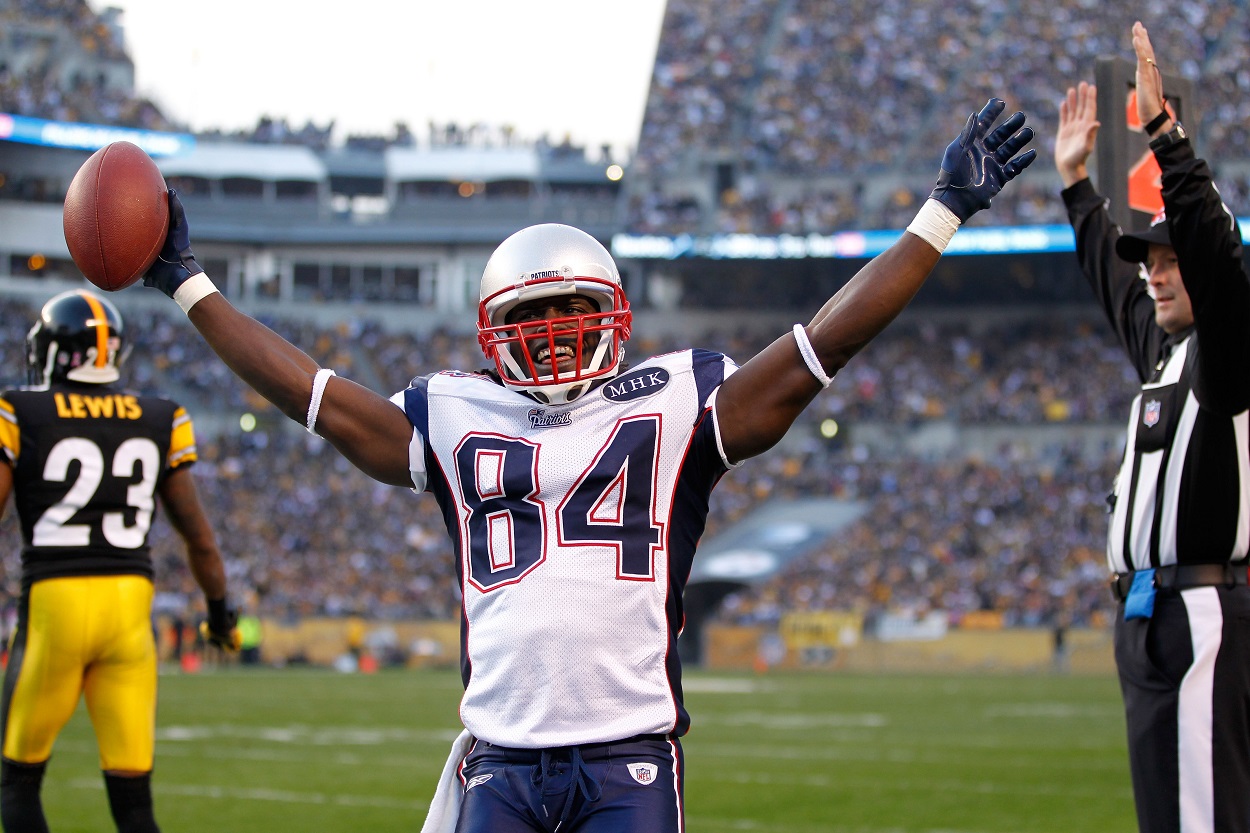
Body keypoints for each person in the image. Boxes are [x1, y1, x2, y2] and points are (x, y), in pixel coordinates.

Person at [137, 97, 1034, 832]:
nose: (561, 329)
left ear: (613, 311)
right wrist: (191, 285)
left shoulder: (673, 401)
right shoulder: (453, 413)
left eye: (576, 306)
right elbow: (318, 397)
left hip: (628, 758)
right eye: (538, 314)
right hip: (497, 760)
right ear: (494, 331)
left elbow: (816, 348)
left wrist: (940, 212)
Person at [1054, 22, 1250, 833]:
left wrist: (1165, 136)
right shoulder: (1170, 354)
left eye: (1169, 260)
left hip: (1201, 607)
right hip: (1151, 617)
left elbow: (1210, 249)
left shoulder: (1230, 352)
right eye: (1151, 260)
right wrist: (1076, 185)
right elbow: (1115, 276)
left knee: (1203, 818)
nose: (1153, 272)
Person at [0, 289, 242, 833]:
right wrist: (221, 616)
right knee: (134, 803)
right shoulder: (160, 416)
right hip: (130, 612)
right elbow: (199, 539)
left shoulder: (19, 410)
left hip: (55, 605)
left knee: (18, 782)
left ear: (54, 352)